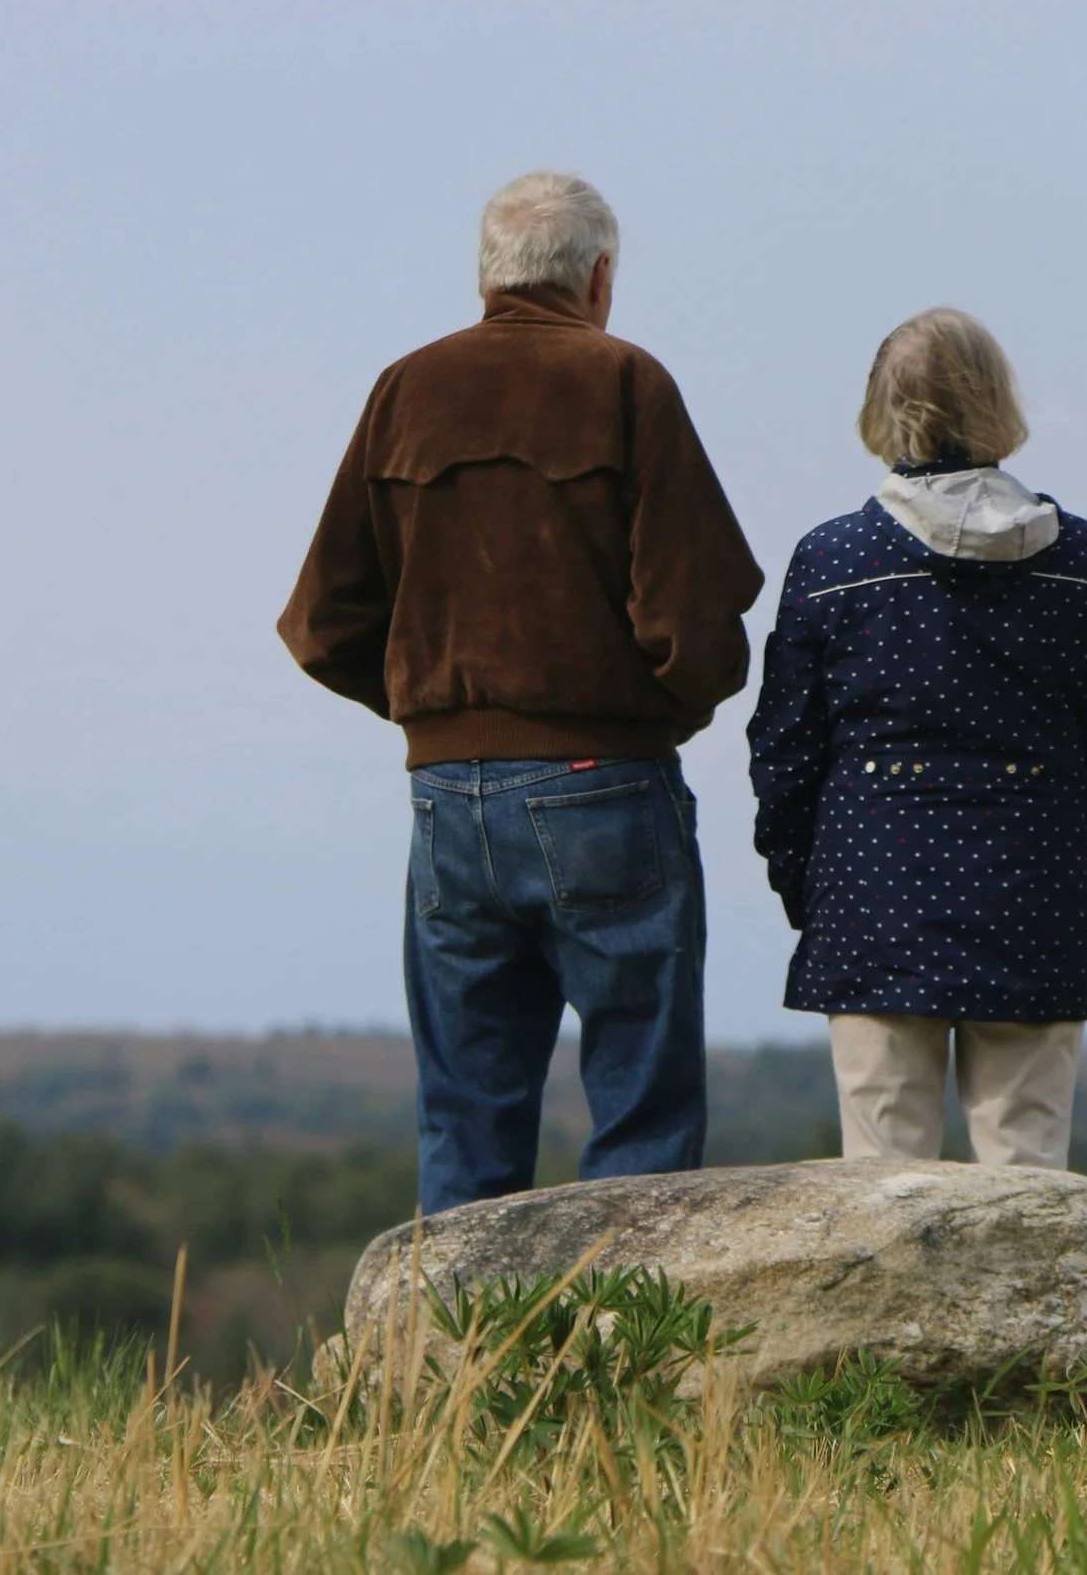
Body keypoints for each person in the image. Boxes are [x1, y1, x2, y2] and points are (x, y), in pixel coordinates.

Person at [279, 171, 763, 1214]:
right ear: (598, 277)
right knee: (640, 1111)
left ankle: (456, 1369)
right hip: (607, 788)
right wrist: (648, 717)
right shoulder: (626, 383)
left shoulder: (403, 390)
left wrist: (441, 718)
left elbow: (322, 625)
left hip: (445, 799)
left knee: (464, 1116)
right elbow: (698, 623)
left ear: (489, 274)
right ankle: (624, 1364)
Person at [747, 308, 1087, 1169]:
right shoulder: (1073, 559)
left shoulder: (834, 561)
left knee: (881, 1187)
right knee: (1030, 1186)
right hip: (1037, 892)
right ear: (997, 402)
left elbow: (784, 754)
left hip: (873, 893)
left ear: (882, 410)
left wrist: (807, 889)